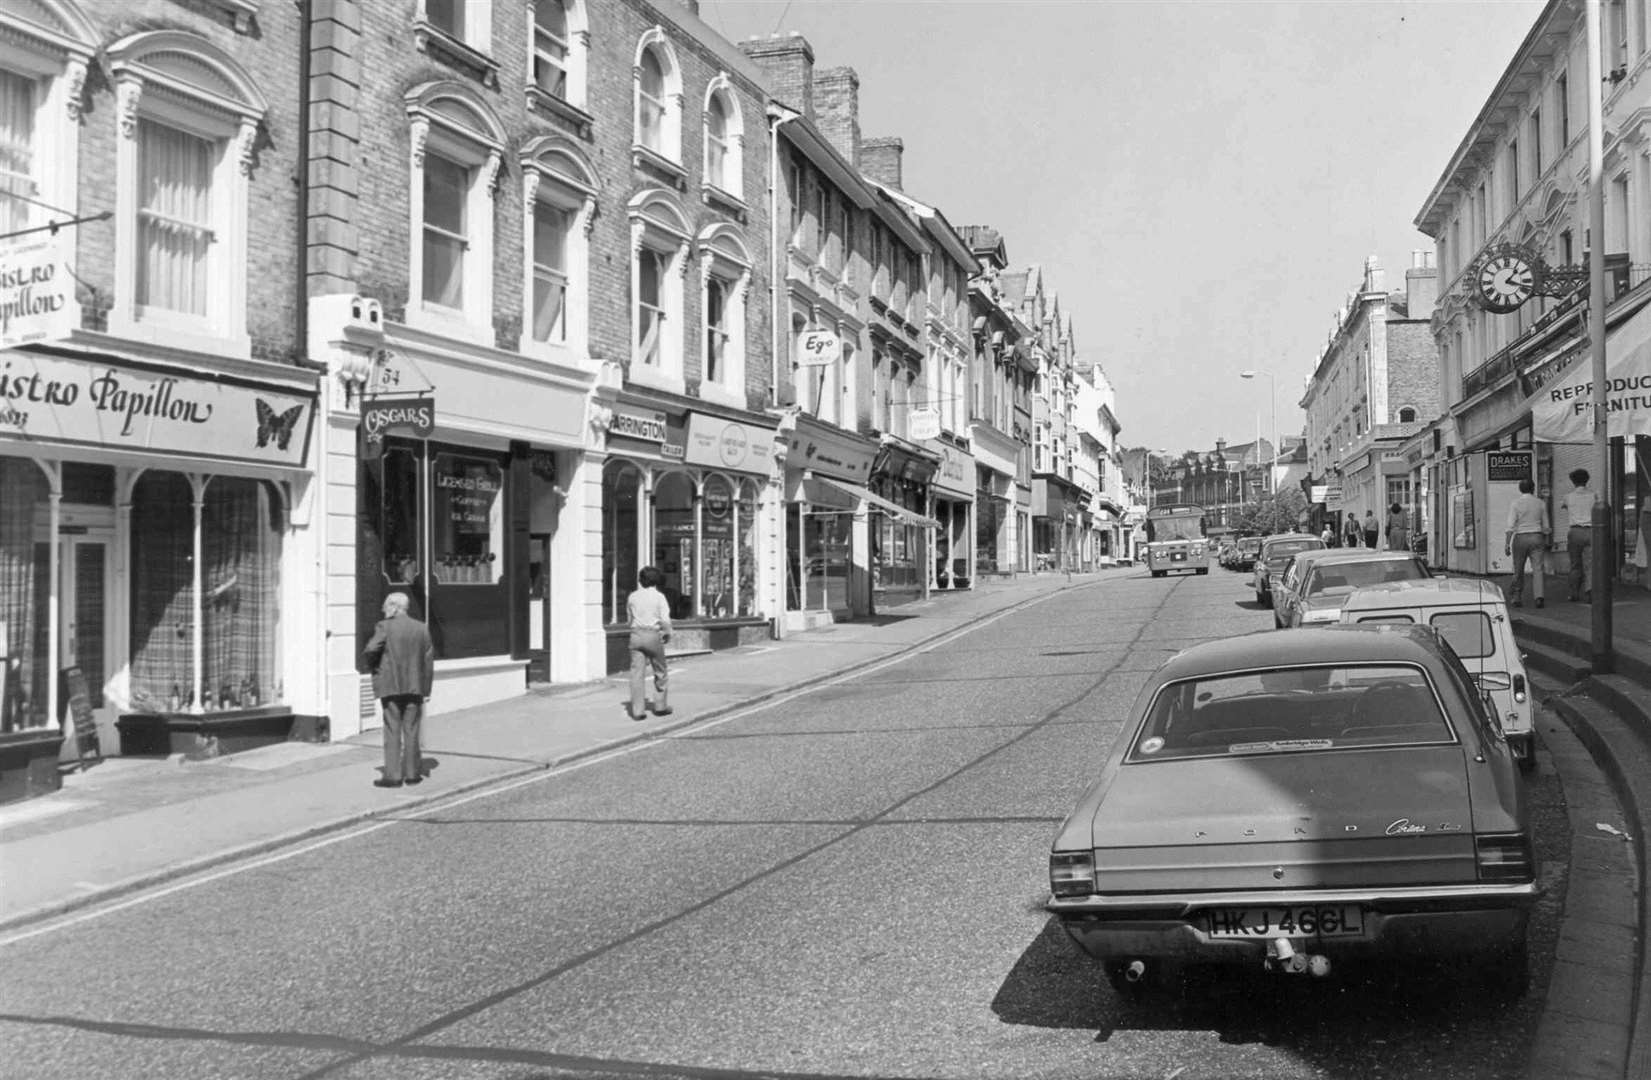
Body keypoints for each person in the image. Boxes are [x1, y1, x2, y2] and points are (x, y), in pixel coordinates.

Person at [361, 591, 434, 789]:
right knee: (412, 729)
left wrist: (375, 667)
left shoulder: (384, 626)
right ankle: (412, 775)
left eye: (385, 606)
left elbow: (370, 650)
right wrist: (426, 689)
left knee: (392, 729)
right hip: (415, 686)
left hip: (390, 685)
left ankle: (393, 777)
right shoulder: (421, 628)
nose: (384, 610)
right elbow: (428, 661)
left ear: (393, 606)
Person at [627, 565, 673, 721]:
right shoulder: (659, 597)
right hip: (652, 635)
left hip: (636, 635)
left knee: (636, 674)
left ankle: (638, 711)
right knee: (660, 671)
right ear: (657, 580)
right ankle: (660, 707)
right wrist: (667, 634)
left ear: (641, 580)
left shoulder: (632, 596)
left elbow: (629, 619)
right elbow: (665, 620)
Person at [1505, 477, 1551, 608]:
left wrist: (1507, 543)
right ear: (1533, 488)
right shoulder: (1541, 503)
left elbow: (1510, 526)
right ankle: (1539, 597)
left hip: (1520, 538)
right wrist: (1545, 538)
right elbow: (1546, 526)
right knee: (1538, 568)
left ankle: (1517, 596)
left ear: (1520, 489)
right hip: (1537, 537)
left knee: (1518, 568)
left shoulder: (1515, 503)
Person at [1561, 468, 1596, 602]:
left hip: (1575, 532)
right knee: (1590, 564)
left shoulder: (1568, 497)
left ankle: (1574, 593)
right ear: (1587, 480)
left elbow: (1563, 506)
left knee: (1575, 564)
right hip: (1591, 531)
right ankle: (1589, 592)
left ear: (1573, 482)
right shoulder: (1594, 496)